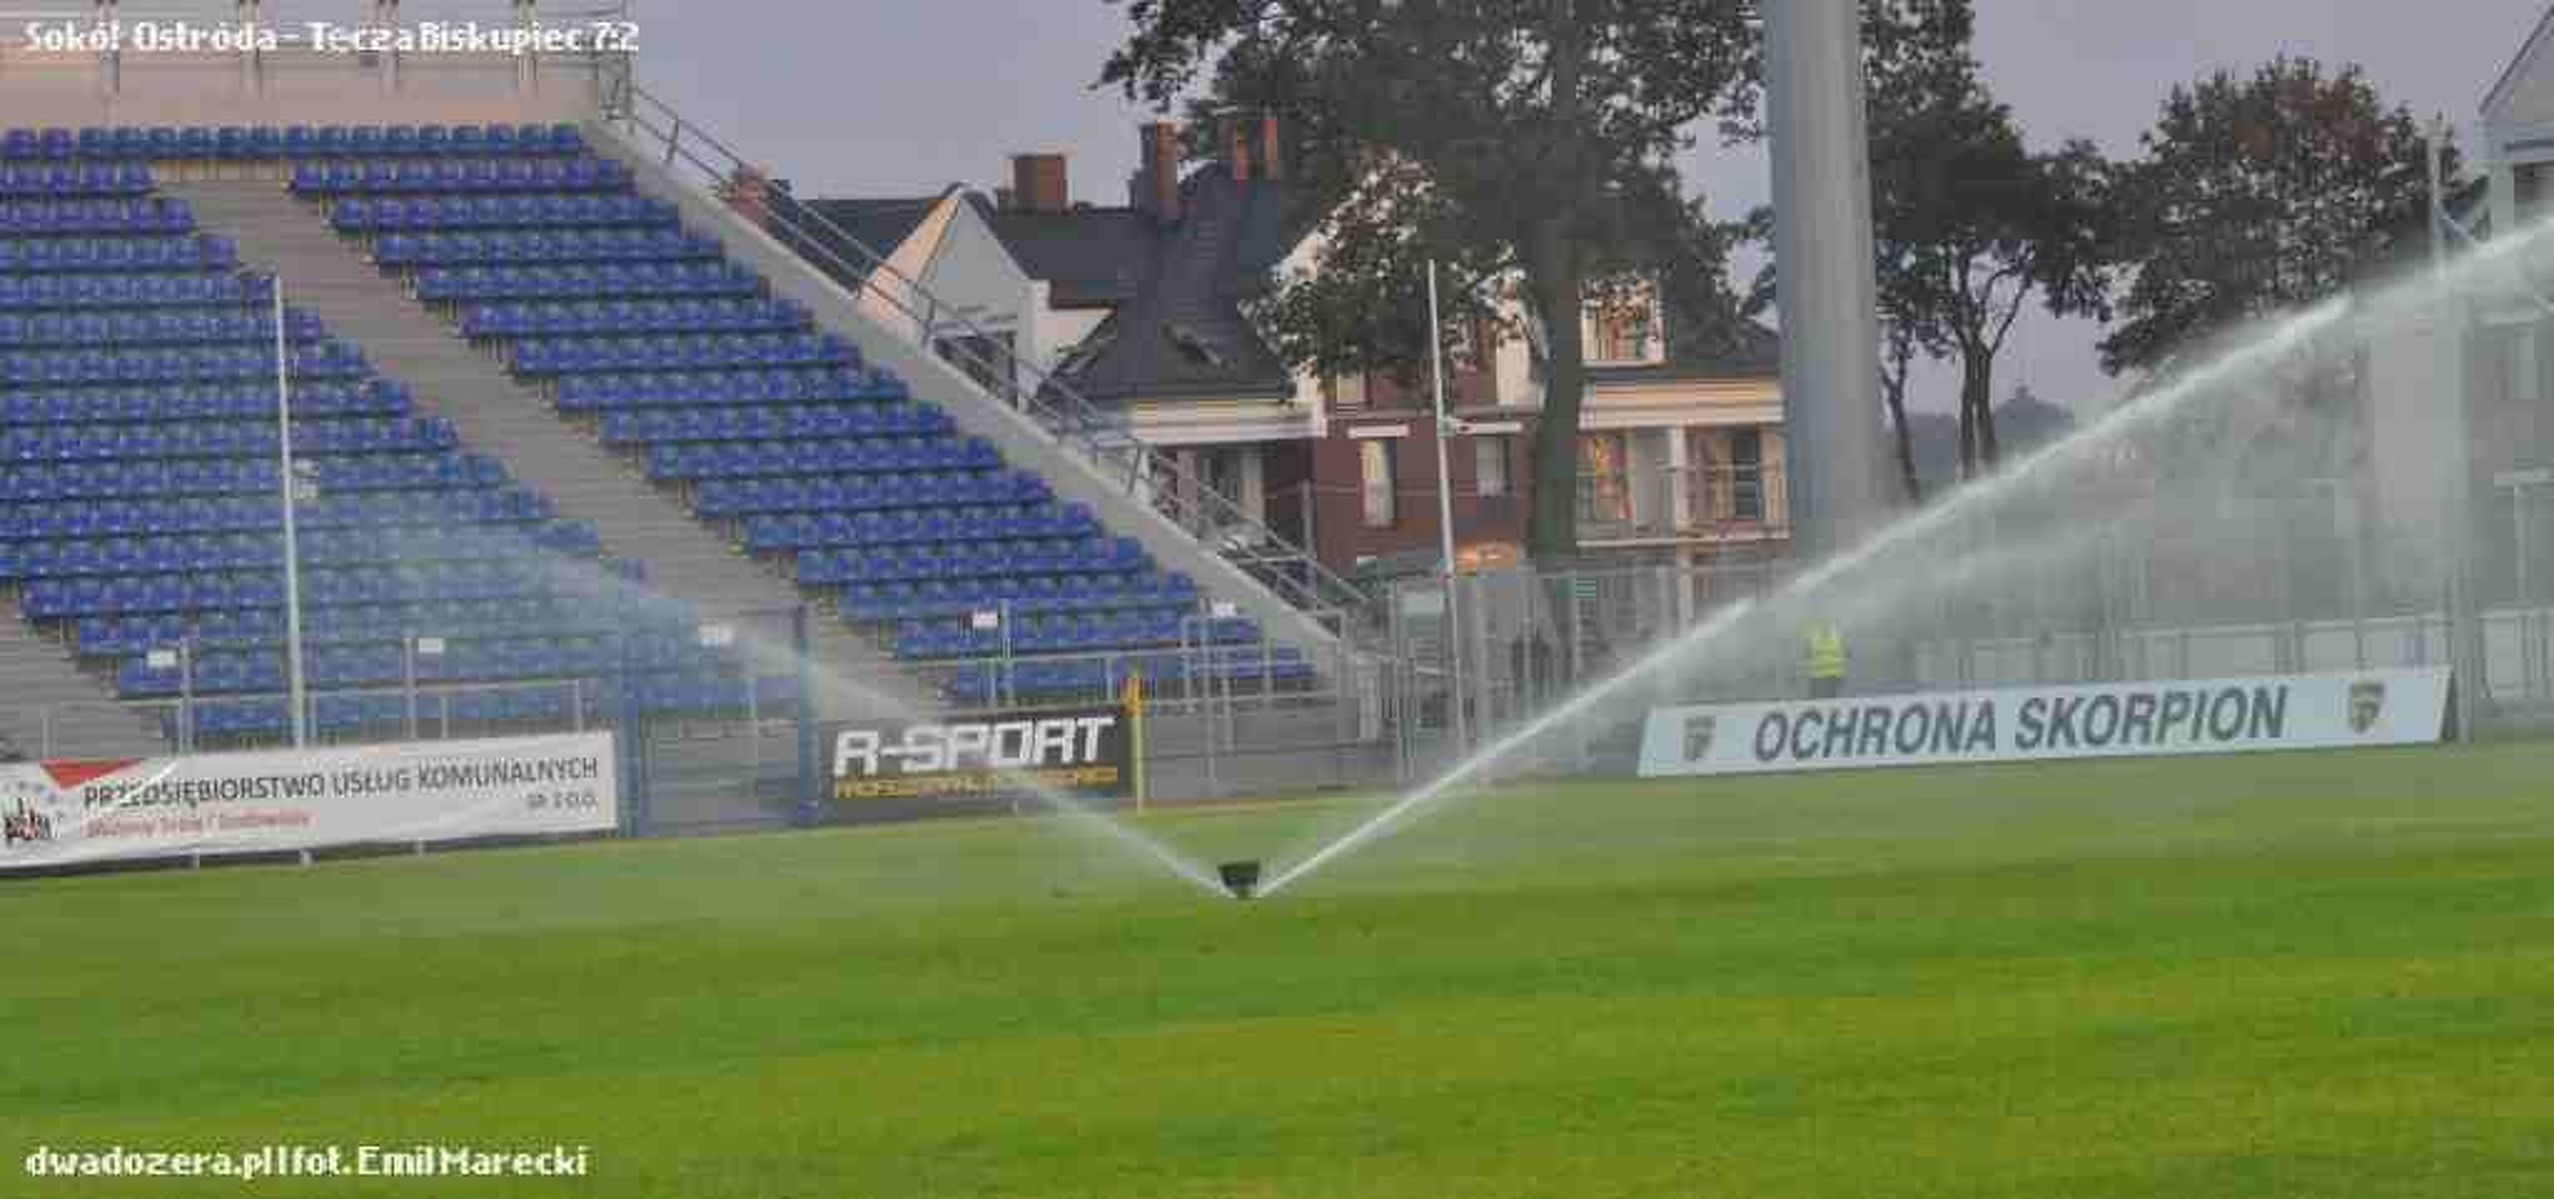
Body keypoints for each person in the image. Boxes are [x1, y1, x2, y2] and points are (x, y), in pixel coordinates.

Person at [1804, 618, 1848, 700]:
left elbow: (1807, 654)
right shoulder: (1837, 635)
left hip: (1820, 677)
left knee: (1819, 701)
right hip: (1831, 676)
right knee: (1830, 700)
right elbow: (1847, 653)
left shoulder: (1813, 636)